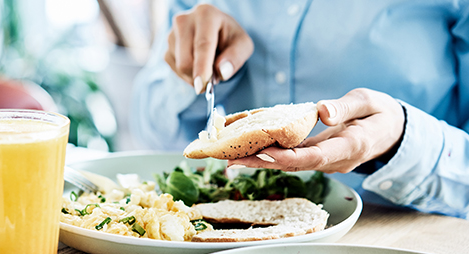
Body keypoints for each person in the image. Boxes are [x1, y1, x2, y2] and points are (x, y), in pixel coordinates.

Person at [130, 0, 469, 219]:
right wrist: (202, 73)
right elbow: (149, 130)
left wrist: (403, 139)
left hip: (397, 245)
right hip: (210, 240)